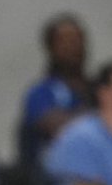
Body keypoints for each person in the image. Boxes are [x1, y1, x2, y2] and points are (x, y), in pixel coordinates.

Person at [17, 13, 93, 171]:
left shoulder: (98, 89)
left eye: (78, 40)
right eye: (65, 41)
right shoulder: (40, 93)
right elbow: (64, 131)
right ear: (50, 48)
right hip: (53, 183)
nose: (73, 47)